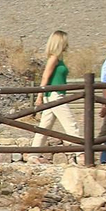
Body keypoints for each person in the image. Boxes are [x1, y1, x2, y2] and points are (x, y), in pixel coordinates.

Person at [35, 30, 79, 158]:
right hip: (55, 95)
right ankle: (81, 152)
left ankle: (33, 155)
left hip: (55, 95)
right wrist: (39, 96)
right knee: (70, 124)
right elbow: (45, 77)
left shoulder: (58, 59)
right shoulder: (53, 58)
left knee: (44, 127)